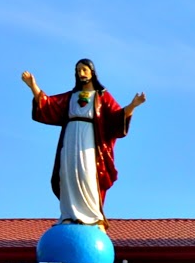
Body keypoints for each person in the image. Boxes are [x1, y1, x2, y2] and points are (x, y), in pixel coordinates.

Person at [22, 60, 146, 227]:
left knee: (88, 173)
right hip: (70, 138)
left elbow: (116, 117)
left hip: (90, 141)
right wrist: (33, 87)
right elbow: (49, 105)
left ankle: (92, 215)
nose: (81, 73)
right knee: (68, 172)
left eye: (84, 70)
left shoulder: (102, 96)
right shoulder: (70, 97)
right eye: (78, 70)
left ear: (92, 72)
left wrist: (133, 106)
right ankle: (68, 214)